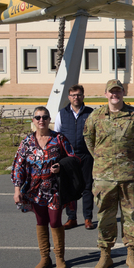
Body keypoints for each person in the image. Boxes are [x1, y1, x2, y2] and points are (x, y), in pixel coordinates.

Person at [84, 79, 134, 268]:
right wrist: (101, 159)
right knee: (105, 215)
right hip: (104, 176)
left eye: (118, 91)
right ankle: (105, 254)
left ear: (123, 93)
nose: (115, 95)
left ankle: (131, 253)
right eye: (111, 92)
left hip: (129, 174)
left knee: (131, 215)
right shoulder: (96, 116)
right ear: (106, 94)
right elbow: (89, 140)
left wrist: (131, 160)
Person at [12, 107, 78, 268]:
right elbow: (18, 165)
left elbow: (73, 158)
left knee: (55, 221)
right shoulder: (27, 142)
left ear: (50, 120)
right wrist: (17, 189)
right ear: (33, 121)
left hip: (54, 188)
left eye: (45, 117)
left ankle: (60, 257)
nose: (41, 120)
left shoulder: (59, 139)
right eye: (38, 117)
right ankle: (44, 257)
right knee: (41, 221)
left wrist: (60, 166)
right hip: (34, 189)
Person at [54, 85, 96, 230]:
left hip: (86, 155)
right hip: (69, 157)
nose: (75, 98)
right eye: (73, 95)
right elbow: (57, 135)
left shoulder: (91, 113)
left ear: (83, 96)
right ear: (68, 97)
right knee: (70, 187)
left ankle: (88, 218)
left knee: (87, 186)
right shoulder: (62, 114)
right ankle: (71, 218)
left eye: (78, 95)